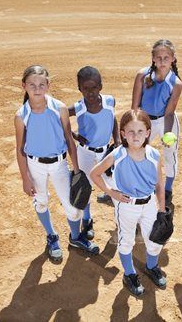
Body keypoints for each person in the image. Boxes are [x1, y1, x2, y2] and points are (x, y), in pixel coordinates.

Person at [14, 65, 99, 262]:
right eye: (32, 84)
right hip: (35, 166)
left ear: (48, 85)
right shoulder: (21, 116)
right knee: (41, 201)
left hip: (59, 164)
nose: (37, 89)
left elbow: (69, 140)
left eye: (41, 84)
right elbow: (20, 150)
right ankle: (52, 236)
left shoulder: (59, 108)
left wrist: (76, 169)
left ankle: (75, 237)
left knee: (72, 206)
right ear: (24, 86)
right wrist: (25, 178)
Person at [90, 109, 167, 296]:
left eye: (140, 131)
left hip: (149, 204)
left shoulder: (155, 155)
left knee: (155, 241)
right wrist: (110, 193)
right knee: (126, 242)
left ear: (148, 132)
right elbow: (94, 173)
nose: (135, 136)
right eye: (130, 131)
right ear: (123, 134)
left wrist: (162, 209)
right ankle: (129, 274)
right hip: (126, 205)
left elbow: (159, 184)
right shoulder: (118, 154)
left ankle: (151, 266)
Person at [68, 66, 120, 240]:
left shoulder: (110, 101)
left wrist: (117, 141)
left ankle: (121, 220)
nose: (90, 93)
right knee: (85, 187)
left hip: (106, 152)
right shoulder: (79, 107)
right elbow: (59, 119)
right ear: (79, 89)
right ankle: (87, 219)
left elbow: (113, 119)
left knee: (114, 184)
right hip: (85, 154)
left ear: (101, 86)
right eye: (85, 89)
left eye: (94, 88)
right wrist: (74, 136)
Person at [131, 39, 182, 206]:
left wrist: (168, 133)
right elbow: (135, 106)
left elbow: (169, 112)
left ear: (173, 58)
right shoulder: (142, 75)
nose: (162, 61)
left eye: (166, 57)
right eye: (158, 57)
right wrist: (135, 127)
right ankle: (135, 184)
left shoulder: (176, 83)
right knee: (136, 152)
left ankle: (167, 189)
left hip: (165, 121)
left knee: (169, 155)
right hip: (144, 121)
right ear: (153, 58)